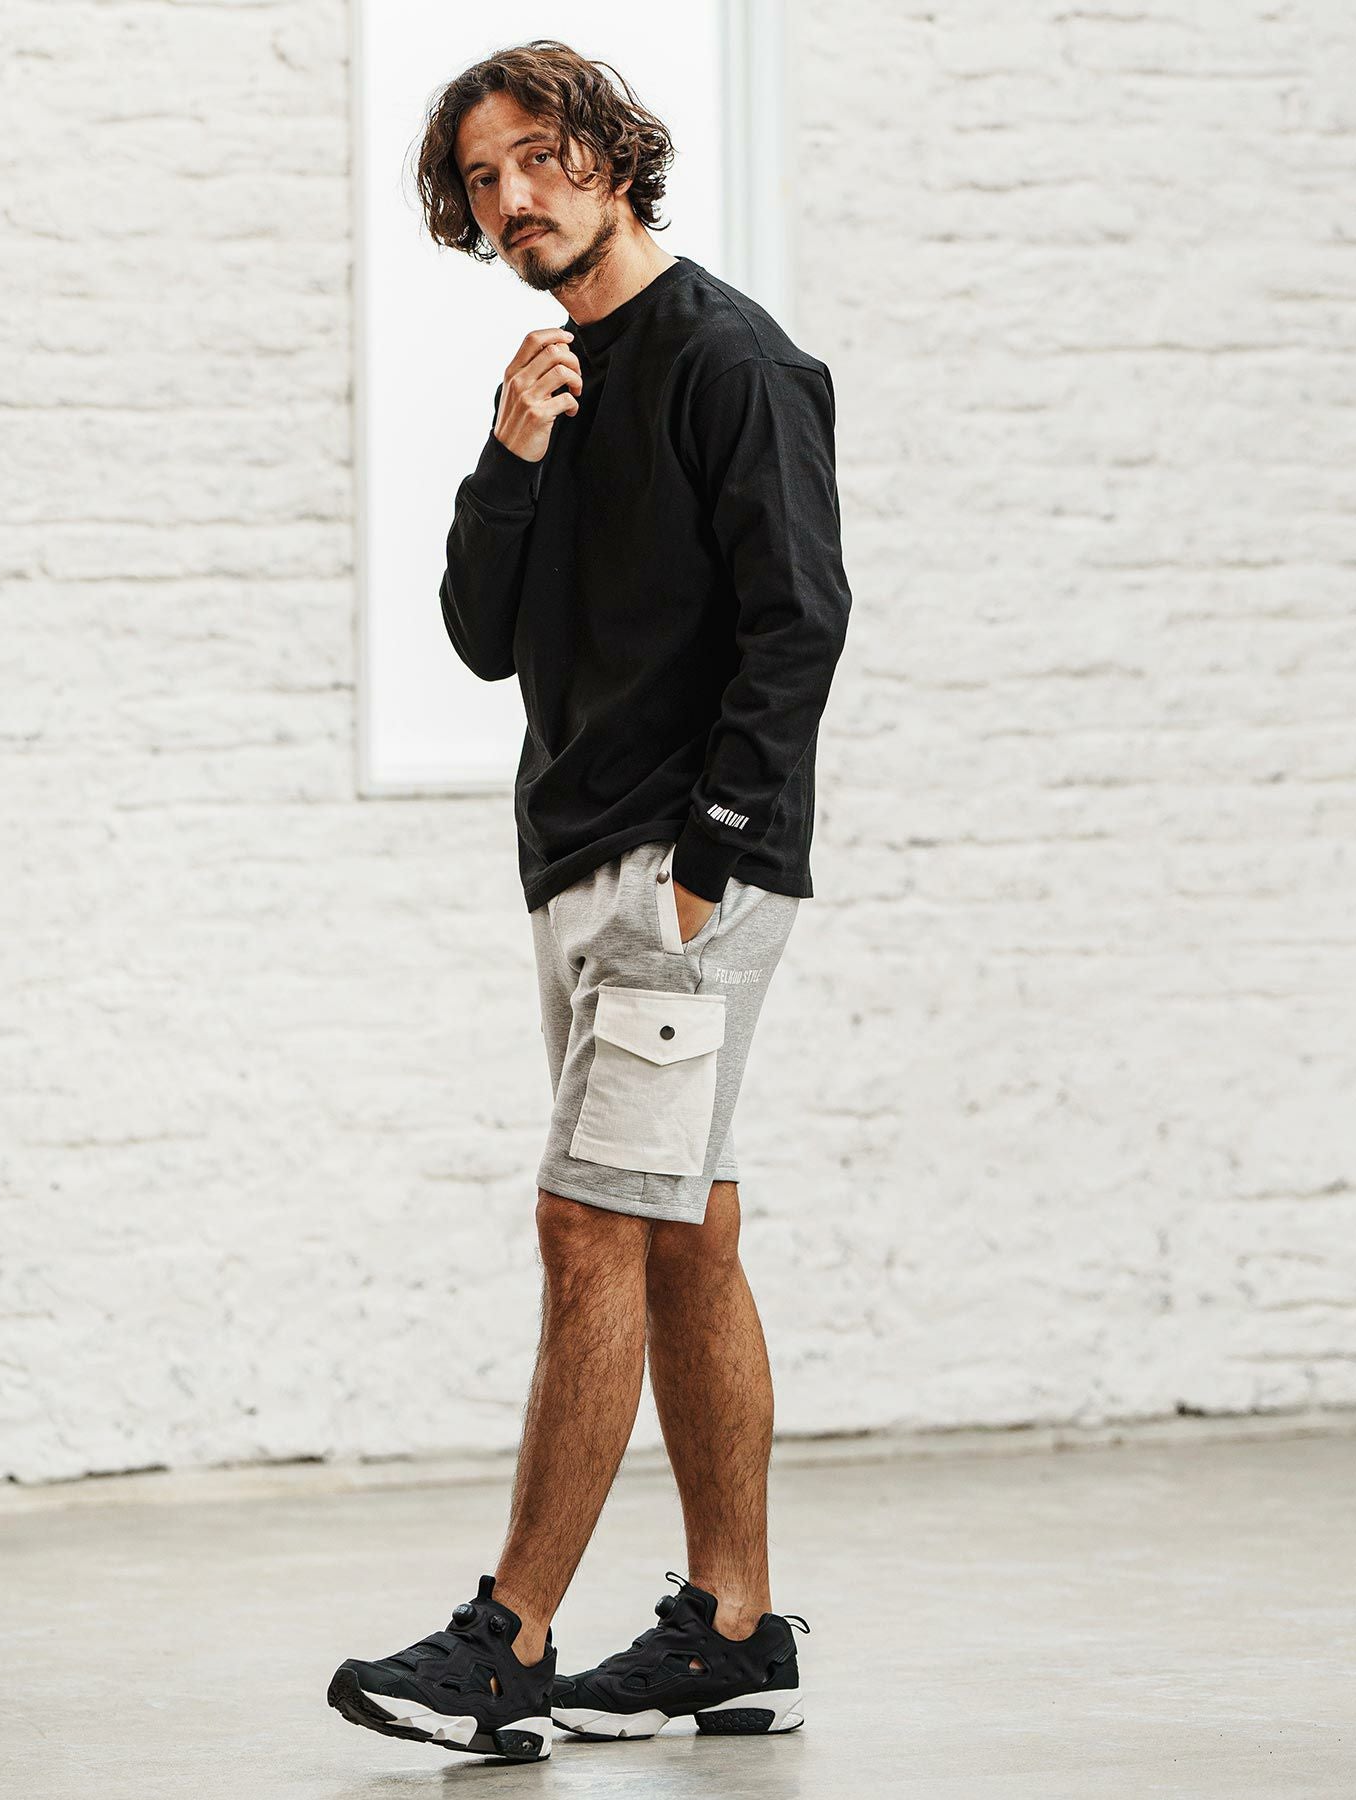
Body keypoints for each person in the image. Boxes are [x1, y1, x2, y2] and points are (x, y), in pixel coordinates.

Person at [328, 38, 848, 1763]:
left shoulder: (731, 358)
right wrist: (513, 456)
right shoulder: (553, 379)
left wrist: (707, 861)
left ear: (614, 156)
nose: (512, 198)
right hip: (576, 860)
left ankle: (510, 1641)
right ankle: (733, 1630)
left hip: (680, 873)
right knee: (682, 1229)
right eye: (481, 179)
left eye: (539, 157)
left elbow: (798, 624)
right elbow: (483, 638)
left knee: (587, 1227)